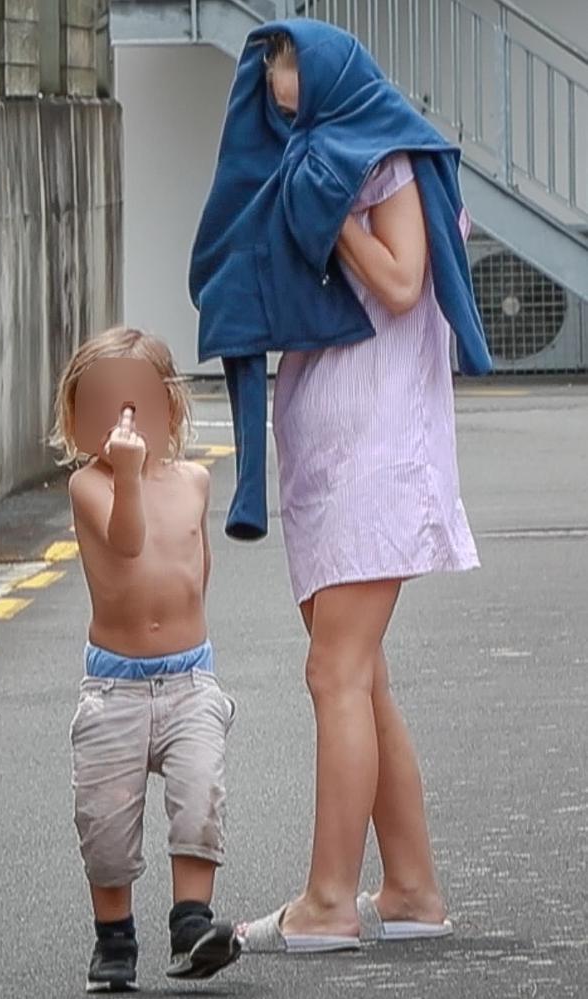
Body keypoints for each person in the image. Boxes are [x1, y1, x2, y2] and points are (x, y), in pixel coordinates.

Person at [193, 25, 486, 953]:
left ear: (324, 73)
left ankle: (329, 899)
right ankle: (410, 889)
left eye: (290, 77)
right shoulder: (317, 152)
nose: (281, 94)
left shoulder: (384, 152)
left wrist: (337, 215)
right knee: (364, 674)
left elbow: (404, 283)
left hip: (380, 442)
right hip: (328, 442)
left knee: (335, 670)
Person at [50, 326, 240, 990]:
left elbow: (196, 563)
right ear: (75, 420)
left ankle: (192, 923)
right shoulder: (91, 485)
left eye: (136, 403)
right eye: (101, 405)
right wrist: (126, 474)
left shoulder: (193, 480)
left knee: (199, 800)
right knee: (105, 819)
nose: (121, 418)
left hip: (189, 677)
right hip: (115, 690)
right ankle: (115, 938)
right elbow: (127, 545)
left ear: (169, 409)